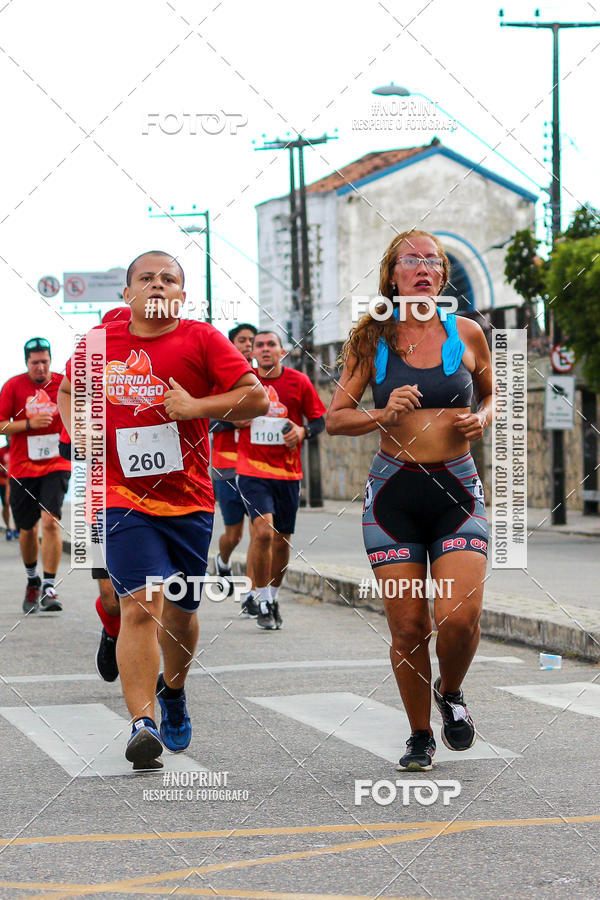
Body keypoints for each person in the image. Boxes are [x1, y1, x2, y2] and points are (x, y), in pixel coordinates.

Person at [58, 250, 268, 770]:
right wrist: (79, 431)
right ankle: (142, 724)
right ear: (127, 293)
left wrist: (197, 407)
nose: (157, 285)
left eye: (168, 279)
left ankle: (172, 690)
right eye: (146, 278)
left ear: (182, 294)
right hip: (120, 495)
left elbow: (255, 399)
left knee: (182, 611)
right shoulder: (98, 342)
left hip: (188, 499)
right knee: (139, 605)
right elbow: (68, 391)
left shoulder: (203, 339)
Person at [326, 230, 493, 771]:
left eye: (433, 261)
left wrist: (482, 417)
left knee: (460, 618)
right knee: (408, 628)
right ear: (392, 275)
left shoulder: (468, 332)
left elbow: (492, 394)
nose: (423, 268)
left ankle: (452, 691)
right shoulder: (371, 339)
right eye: (411, 260)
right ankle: (420, 734)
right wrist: (383, 412)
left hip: (457, 492)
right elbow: (335, 419)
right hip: (393, 497)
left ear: (442, 276)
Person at [235, 331, 326, 630]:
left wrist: (302, 432)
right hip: (252, 470)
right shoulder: (244, 382)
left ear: (282, 351)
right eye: (259, 345)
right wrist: (236, 418)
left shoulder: (299, 381)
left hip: (288, 473)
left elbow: (319, 420)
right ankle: (261, 599)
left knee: (282, 540)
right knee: (263, 532)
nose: (265, 349)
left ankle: (272, 597)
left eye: (270, 345)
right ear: (252, 353)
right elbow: (221, 414)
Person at [0, 338, 72, 613]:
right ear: (26, 363)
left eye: (44, 361)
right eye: (35, 363)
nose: (40, 367)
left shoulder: (63, 384)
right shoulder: (13, 386)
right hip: (22, 467)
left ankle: (49, 587)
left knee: (50, 521)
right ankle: (33, 580)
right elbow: (1, 425)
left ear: (50, 360)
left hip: (57, 464)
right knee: (27, 529)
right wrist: (29, 423)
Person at [210, 323, 257, 615]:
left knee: (260, 531)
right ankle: (223, 561)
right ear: (231, 345)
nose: (249, 345)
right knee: (234, 535)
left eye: (252, 340)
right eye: (242, 340)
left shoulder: (262, 379)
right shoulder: (217, 379)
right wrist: (233, 419)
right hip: (226, 467)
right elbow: (205, 418)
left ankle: (251, 594)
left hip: (258, 467)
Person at [0, 439, 17, 540]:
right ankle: (8, 527)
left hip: (17, 480)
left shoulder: (19, 449)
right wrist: (4, 468)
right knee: (6, 505)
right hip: (4, 481)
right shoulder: (2, 451)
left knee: (16, 504)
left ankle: (17, 527)